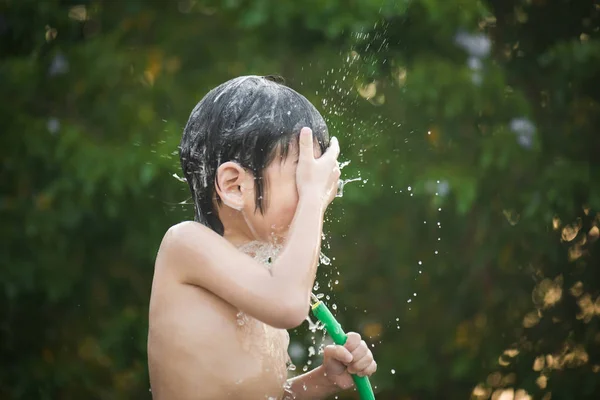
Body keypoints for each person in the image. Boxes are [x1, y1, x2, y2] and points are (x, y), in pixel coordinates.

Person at [148, 75, 377, 399]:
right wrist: (312, 198)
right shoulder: (185, 245)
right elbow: (287, 303)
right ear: (235, 186)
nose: (319, 196)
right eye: (302, 178)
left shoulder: (263, 280)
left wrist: (323, 379)